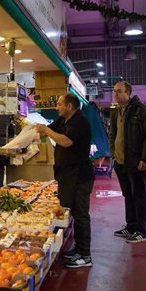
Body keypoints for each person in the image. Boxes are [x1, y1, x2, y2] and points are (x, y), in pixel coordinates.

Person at [35, 93, 95, 269]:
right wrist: (34, 129)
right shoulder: (63, 121)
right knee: (75, 213)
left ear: (70, 106)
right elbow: (48, 129)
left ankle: (85, 255)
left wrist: (46, 131)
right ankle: (78, 249)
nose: (57, 107)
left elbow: (66, 141)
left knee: (81, 215)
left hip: (80, 176)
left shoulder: (80, 122)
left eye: (60, 104)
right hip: (67, 175)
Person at [108, 81, 146, 244]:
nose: (116, 94)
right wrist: (113, 154)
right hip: (120, 161)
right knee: (128, 194)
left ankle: (141, 231)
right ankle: (131, 226)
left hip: (135, 161)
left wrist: (144, 158)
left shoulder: (140, 109)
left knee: (138, 195)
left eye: (119, 91)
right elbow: (112, 133)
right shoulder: (116, 111)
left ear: (128, 92)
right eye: (114, 91)